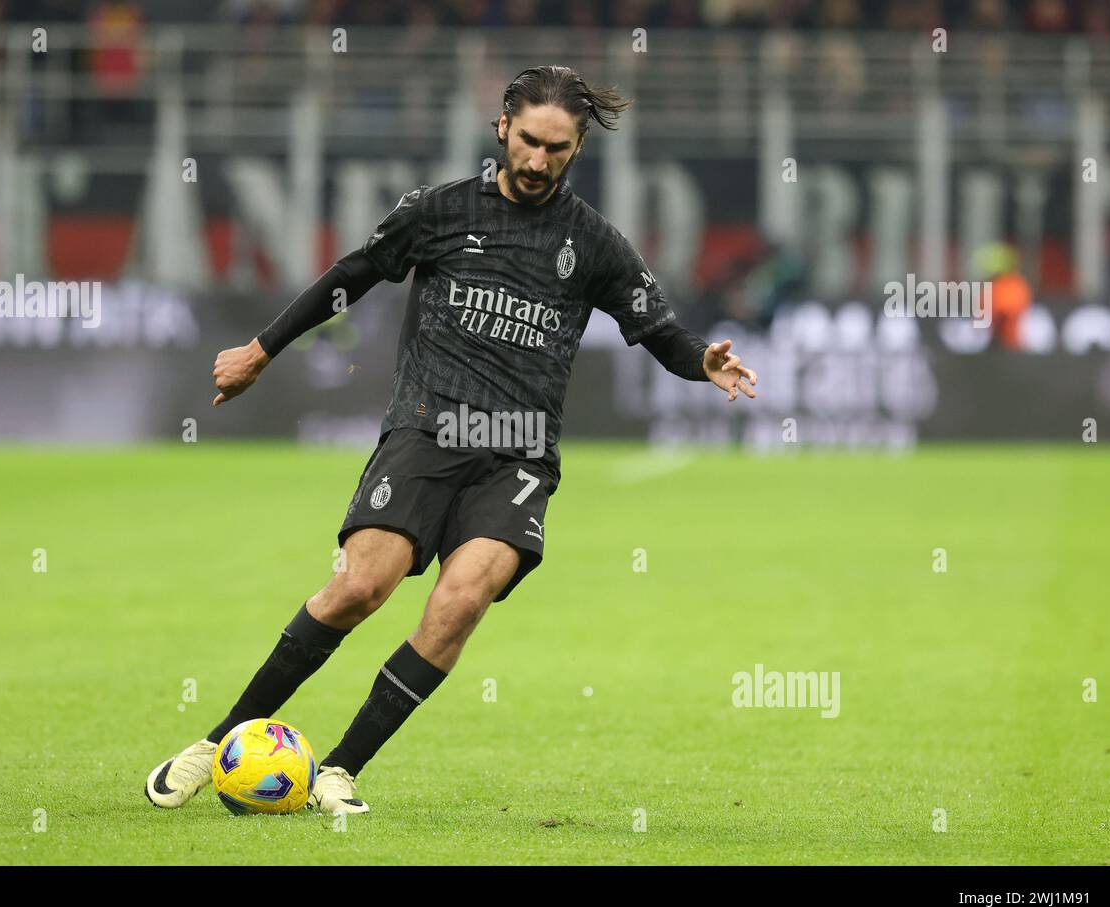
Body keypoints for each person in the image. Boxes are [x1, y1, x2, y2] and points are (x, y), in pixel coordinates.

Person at [145, 65, 758, 815]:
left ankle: (339, 770)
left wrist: (703, 360)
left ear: (576, 149)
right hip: (428, 429)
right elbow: (352, 275)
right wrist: (261, 351)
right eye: (529, 141)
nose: (538, 161)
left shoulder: (594, 243)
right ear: (502, 126)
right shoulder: (438, 212)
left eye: (556, 150)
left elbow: (657, 330)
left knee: (461, 601)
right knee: (357, 589)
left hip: (520, 452)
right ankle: (213, 747)